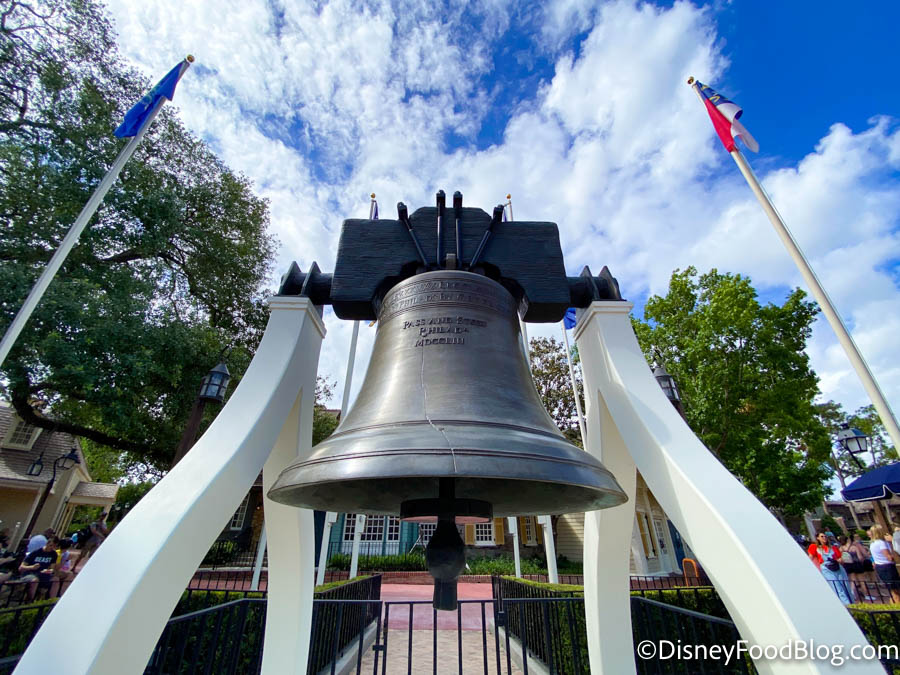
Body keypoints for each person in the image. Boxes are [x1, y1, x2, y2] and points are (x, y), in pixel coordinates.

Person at [808, 531, 852, 605]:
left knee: (845, 585)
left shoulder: (833, 547)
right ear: (818, 538)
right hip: (826, 568)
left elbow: (840, 558)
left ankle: (850, 602)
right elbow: (810, 558)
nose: (824, 538)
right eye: (822, 536)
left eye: (825, 536)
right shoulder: (814, 547)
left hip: (836, 566)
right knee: (836, 586)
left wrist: (840, 560)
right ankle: (845, 604)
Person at [19, 536, 58, 601]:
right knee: (35, 580)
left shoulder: (53, 554)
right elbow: (21, 567)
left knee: (56, 579)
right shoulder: (36, 553)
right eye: (51, 545)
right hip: (31, 573)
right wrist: (32, 567)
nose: (52, 548)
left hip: (43, 574)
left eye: (54, 546)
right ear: (47, 544)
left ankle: (52, 601)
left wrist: (49, 571)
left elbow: (52, 568)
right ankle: (30, 601)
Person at [868, 525, 900, 604]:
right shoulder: (881, 543)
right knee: (895, 589)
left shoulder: (872, 543)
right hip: (887, 567)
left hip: (880, 567)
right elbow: (888, 557)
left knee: (892, 589)